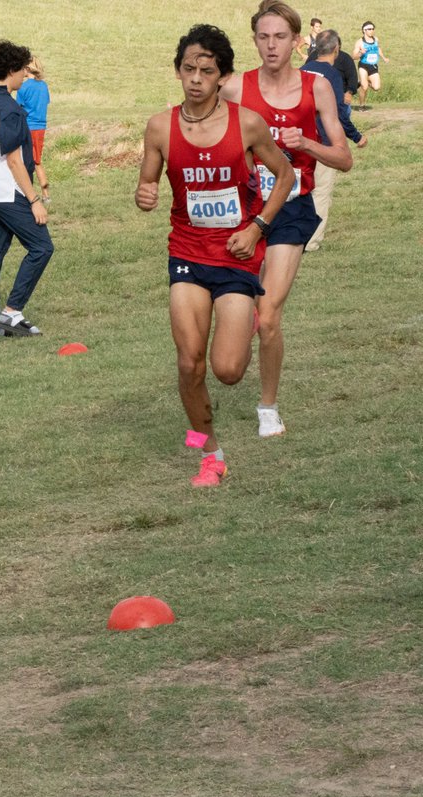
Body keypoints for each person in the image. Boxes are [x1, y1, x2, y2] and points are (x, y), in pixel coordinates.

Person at [136, 25, 294, 486]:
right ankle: (210, 452)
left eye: (207, 70)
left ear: (223, 76)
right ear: (178, 71)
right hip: (186, 252)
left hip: (237, 254)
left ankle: (242, 319)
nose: (196, 78)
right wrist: (144, 193)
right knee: (189, 362)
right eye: (189, 69)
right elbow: (147, 180)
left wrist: (257, 227)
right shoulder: (160, 126)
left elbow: (283, 176)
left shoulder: (247, 123)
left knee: (226, 371)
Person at [219, 0, 351, 437]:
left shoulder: (317, 87)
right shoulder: (236, 87)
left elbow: (344, 157)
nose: (271, 45)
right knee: (230, 313)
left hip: (292, 208)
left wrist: (306, 145)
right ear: (254, 40)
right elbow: (201, 130)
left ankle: (268, 407)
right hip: (242, 210)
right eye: (263, 37)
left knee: (269, 313)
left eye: (280, 37)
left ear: (297, 42)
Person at [0, 40, 54, 339]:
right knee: (42, 246)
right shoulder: (11, 110)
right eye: (22, 69)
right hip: (7, 192)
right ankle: (11, 312)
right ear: (11, 70)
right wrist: (34, 200)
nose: (25, 75)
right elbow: (13, 159)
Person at [301, 30, 368, 252]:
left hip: (299, 141)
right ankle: (310, 242)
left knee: (300, 190)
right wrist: (356, 136)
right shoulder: (331, 75)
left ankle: (293, 235)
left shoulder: (301, 70)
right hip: (323, 144)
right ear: (336, 50)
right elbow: (339, 112)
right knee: (320, 191)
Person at [15, 56, 52, 204]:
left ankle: (32, 194)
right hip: (41, 128)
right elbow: (45, 102)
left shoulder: (23, 87)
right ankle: (45, 194)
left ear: (28, 69)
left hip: (28, 127)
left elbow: (18, 108)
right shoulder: (43, 86)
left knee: (26, 162)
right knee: (37, 161)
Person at [353, 21, 388, 111]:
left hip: (373, 66)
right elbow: (353, 56)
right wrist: (361, 53)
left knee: (376, 87)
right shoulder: (360, 42)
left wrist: (383, 57)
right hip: (363, 66)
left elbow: (378, 48)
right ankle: (362, 106)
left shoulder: (376, 39)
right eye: (369, 29)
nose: (371, 31)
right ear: (364, 30)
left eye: (373, 29)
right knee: (364, 87)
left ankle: (361, 82)